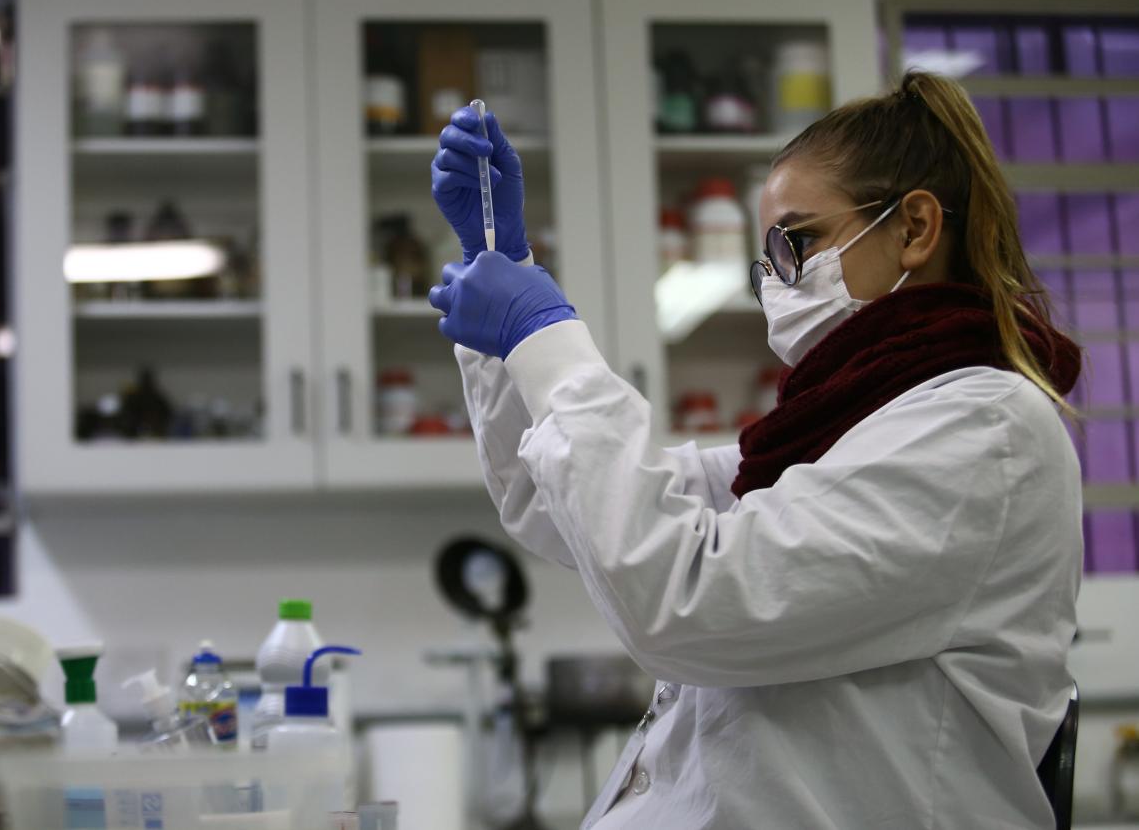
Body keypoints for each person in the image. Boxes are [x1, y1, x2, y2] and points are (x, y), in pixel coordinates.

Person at [428, 70, 1083, 829]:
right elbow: (558, 502)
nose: (776, 282)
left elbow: (684, 600)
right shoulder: (836, 429)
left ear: (914, 229)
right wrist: (504, 274)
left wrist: (545, 336)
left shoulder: (984, 431)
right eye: (764, 260)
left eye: (795, 242)